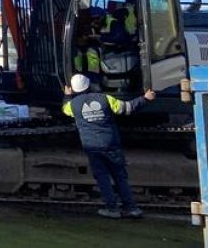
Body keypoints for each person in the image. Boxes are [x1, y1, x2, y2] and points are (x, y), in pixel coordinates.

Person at [63, 73, 156, 219]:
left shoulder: (73, 105)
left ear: (74, 89)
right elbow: (127, 108)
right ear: (88, 85)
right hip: (110, 143)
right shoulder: (105, 99)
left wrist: (67, 96)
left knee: (102, 178)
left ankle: (112, 209)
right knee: (120, 176)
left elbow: (65, 109)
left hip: (92, 147)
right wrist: (145, 98)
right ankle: (131, 208)